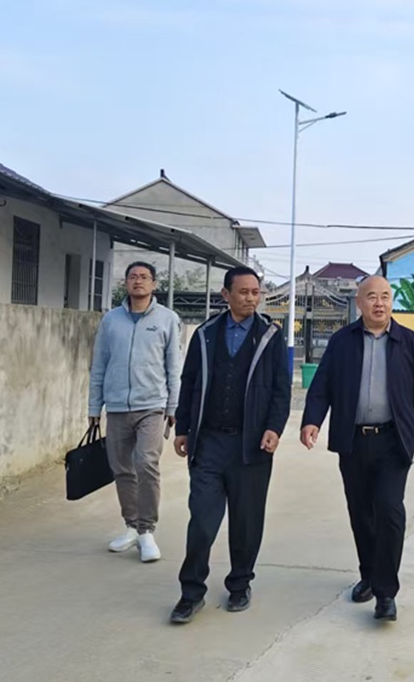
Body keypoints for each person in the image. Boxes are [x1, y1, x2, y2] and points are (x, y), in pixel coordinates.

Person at [300, 276, 414, 623]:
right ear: (359, 303)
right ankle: (368, 575)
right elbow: (322, 384)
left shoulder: (409, 342)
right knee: (361, 513)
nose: (379, 303)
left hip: (393, 441)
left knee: (389, 511)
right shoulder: (342, 341)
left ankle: (386, 593)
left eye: (385, 296)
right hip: (354, 441)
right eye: (372, 296)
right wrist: (312, 420)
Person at [168, 267, 290, 624]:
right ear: (226, 295)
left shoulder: (270, 336)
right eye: (244, 292)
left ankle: (240, 584)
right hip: (209, 444)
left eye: (256, 292)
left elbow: (281, 388)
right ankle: (191, 593)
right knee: (202, 522)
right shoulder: (206, 334)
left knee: (246, 522)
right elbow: (189, 381)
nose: (251, 298)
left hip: (251, 447)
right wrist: (183, 427)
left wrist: (274, 428)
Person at [88, 261, 182, 563]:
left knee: (146, 464)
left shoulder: (167, 319)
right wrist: (94, 406)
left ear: (154, 284)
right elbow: (99, 365)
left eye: (144, 277)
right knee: (122, 469)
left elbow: (174, 367)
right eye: (132, 277)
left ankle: (146, 530)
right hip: (116, 406)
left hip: (152, 406)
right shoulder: (111, 320)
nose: (138, 281)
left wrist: (173, 407)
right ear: (126, 283)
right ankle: (131, 526)